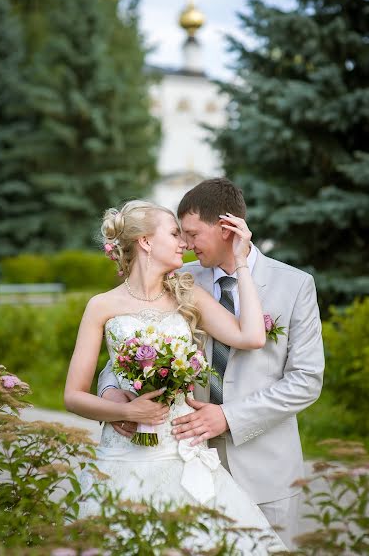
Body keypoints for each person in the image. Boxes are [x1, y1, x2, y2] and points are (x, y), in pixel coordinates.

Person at [98, 180, 325, 550]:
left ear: (226, 228)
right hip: (184, 461)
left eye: (191, 233)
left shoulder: (294, 285)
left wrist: (229, 416)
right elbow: (129, 343)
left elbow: (305, 381)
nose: (184, 244)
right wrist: (112, 393)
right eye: (180, 235)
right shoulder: (179, 280)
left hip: (266, 470)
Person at [65, 199, 286, 553]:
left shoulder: (188, 295)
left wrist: (242, 262)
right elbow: (73, 395)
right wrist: (125, 410)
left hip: (183, 449)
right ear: (146, 243)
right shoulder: (102, 306)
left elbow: (252, 337)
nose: (183, 242)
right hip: (125, 456)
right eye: (174, 233)